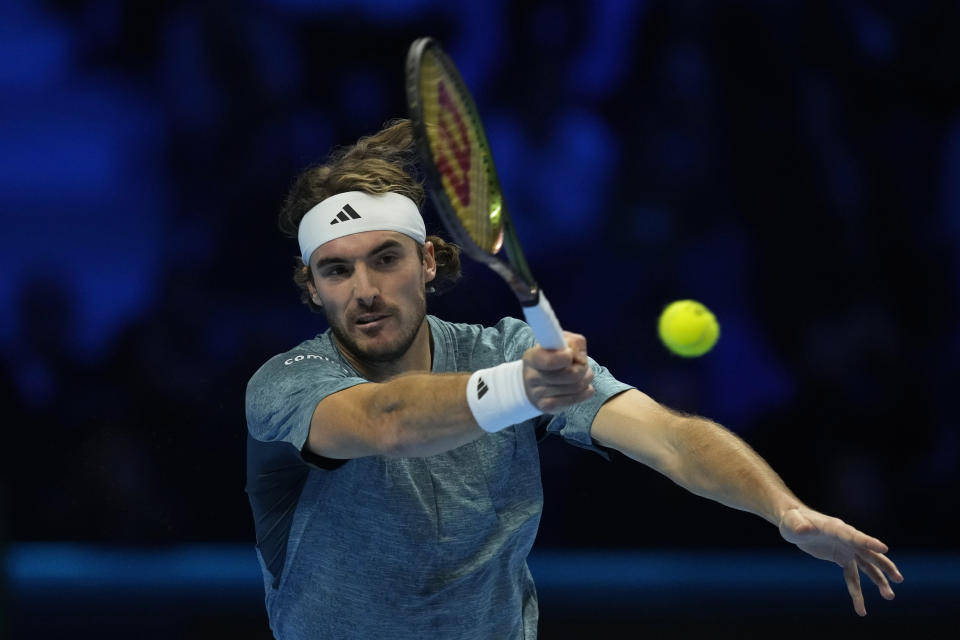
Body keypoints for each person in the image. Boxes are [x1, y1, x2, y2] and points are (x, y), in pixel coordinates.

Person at [245, 119, 902, 639]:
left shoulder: (508, 349)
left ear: (429, 261)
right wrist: (521, 390)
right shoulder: (285, 385)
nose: (364, 290)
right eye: (336, 271)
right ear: (311, 287)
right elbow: (384, 422)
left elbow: (669, 437)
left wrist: (784, 510)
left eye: (385, 259)